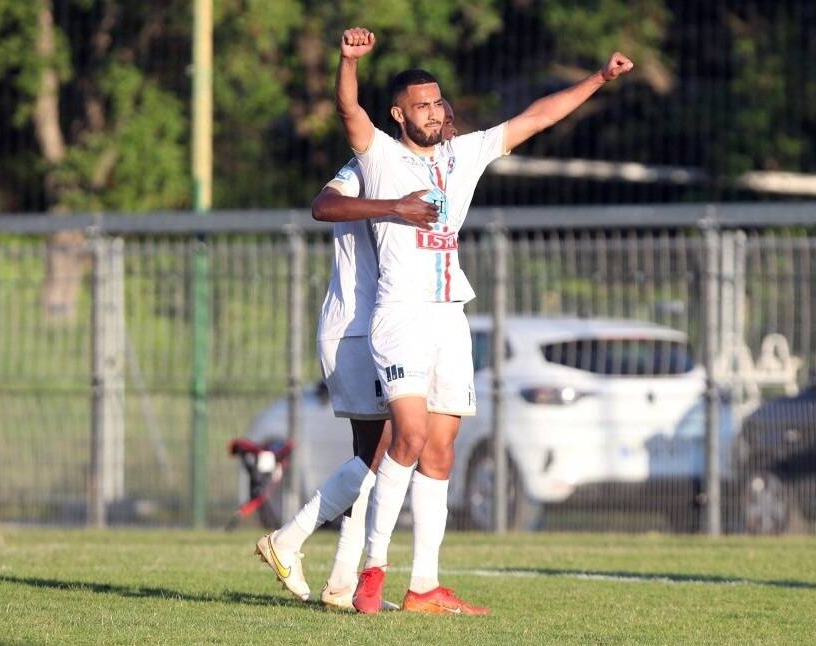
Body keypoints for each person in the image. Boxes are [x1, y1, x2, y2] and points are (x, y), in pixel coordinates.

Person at [335, 26, 633, 615]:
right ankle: (373, 568)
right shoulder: (380, 156)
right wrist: (348, 63)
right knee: (410, 437)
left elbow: (535, 117)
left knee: (442, 452)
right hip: (399, 314)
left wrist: (599, 78)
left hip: (450, 316)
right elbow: (347, 107)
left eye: (437, 101)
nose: (433, 110)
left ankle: (423, 587)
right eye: (421, 104)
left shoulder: (461, 152)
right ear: (398, 114)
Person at [254, 105, 459, 610]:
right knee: (384, 453)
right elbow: (323, 205)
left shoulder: (435, 169)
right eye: (433, 113)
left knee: (378, 456)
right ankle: (289, 539)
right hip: (356, 324)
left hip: (379, 325)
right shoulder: (371, 166)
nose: (442, 123)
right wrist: (394, 207)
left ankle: (343, 582)